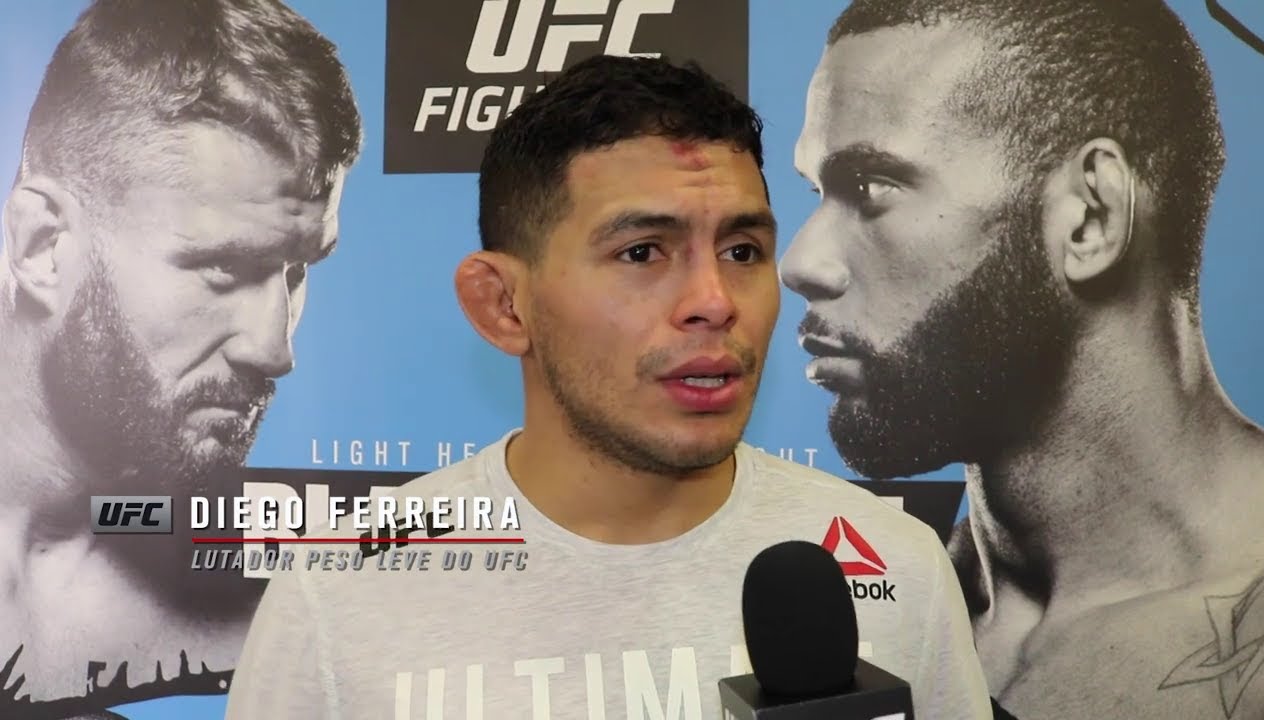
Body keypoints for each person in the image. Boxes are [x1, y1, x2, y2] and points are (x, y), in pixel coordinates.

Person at [225, 54, 993, 719]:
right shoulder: (338, 591)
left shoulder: (899, 566)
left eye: (742, 250)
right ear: (503, 305)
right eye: (642, 252)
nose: (715, 301)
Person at [781, 1, 1264, 718]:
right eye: (817, 192)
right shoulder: (894, 606)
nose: (800, 263)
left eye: (869, 186)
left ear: (1090, 216)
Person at [0, 0, 361, 715]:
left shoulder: (300, 591)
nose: (274, 350)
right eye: (224, 267)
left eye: (296, 271)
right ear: (44, 246)